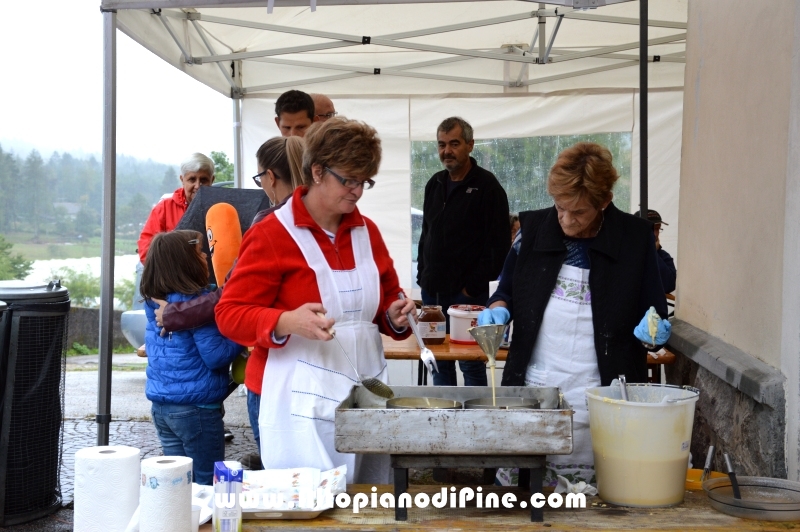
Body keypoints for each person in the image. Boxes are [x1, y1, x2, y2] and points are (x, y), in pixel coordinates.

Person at [215, 117, 415, 483]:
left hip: (364, 393)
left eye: (364, 181)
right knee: (309, 507)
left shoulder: (367, 232)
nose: (357, 191)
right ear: (318, 171)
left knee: (369, 502)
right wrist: (285, 322)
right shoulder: (273, 234)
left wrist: (395, 315)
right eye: (349, 179)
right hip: (296, 401)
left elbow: (387, 297)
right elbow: (229, 314)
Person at [479, 142, 669, 486]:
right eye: (560, 207)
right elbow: (505, 289)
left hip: (603, 390)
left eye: (578, 212)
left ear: (605, 201)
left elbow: (653, 306)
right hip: (536, 385)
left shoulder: (634, 237)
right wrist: (498, 309)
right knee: (529, 492)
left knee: (597, 498)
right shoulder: (533, 229)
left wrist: (653, 328)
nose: (565, 219)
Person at [152, 136, 306, 470]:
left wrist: (175, 314)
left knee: (269, 465)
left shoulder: (271, 223)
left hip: (269, 361)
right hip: (306, 361)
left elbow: (231, 296)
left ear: (270, 177)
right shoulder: (321, 219)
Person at [140, 230, 243, 485]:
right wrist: (241, 334)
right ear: (184, 262)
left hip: (162, 408)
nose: (206, 257)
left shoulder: (154, 303)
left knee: (179, 483)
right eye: (199, 252)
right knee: (207, 483)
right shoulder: (195, 307)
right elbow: (216, 356)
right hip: (196, 410)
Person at [416, 116, 510, 386]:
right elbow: (426, 234)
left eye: (454, 144)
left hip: (468, 297)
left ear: (470, 144)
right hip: (432, 293)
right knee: (438, 360)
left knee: (470, 361)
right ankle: (444, 418)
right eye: (442, 144)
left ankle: (474, 422)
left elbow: (499, 245)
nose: (447, 151)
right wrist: (423, 275)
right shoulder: (434, 183)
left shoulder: (487, 187)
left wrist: (472, 287)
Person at [137, 153, 215, 263]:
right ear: (182, 180)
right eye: (192, 179)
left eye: (203, 180)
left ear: (212, 180)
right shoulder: (163, 209)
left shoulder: (222, 209)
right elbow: (146, 250)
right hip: (173, 278)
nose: (198, 186)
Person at [634, 209, 676, 294]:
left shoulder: (663, 256)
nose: (656, 234)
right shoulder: (627, 254)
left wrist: (652, 252)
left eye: (658, 229)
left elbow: (669, 285)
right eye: (652, 229)